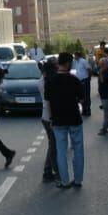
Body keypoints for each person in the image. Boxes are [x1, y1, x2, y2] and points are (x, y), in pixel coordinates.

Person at [45, 55, 85, 188]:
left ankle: (64, 181)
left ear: (59, 63)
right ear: (68, 64)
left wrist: (51, 119)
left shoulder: (50, 81)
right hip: (74, 119)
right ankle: (78, 180)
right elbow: (82, 99)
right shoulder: (74, 80)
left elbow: (48, 103)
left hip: (58, 120)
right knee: (78, 149)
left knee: (61, 151)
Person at [38, 59, 58, 183]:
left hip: (45, 116)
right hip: (50, 117)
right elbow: (51, 102)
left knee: (53, 145)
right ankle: (49, 171)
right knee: (53, 146)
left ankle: (51, 170)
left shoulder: (42, 80)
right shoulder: (48, 82)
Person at [72, 51, 92, 117]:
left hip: (85, 80)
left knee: (86, 95)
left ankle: (88, 110)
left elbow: (89, 69)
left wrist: (89, 78)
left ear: (78, 55)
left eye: (75, 55)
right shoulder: (75, 62)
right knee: (81, 96)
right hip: (78, 81)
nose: (74, 57)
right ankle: (83, 110)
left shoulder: (83, 61)